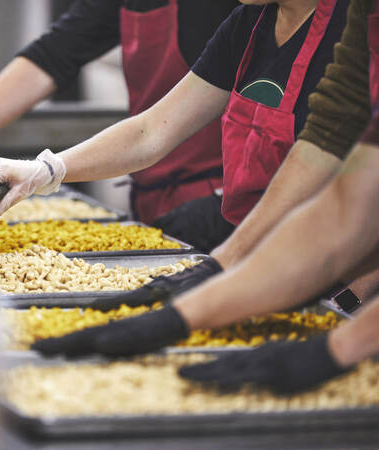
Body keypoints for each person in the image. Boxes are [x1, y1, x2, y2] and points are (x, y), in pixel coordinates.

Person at [32, 0, 379, 394]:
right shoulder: (256, 22)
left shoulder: (345, 22)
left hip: (335, 280)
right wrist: (46, 170)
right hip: (273, 264)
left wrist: (349, 320)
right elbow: (153, 130)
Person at [0, 0, 349, 252]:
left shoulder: (355, 31)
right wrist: (46, 170)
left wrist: (353, 295)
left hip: (330, 264)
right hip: (257, 253)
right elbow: (151, 131)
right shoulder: (248, 24)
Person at [0, 1, 240, 240]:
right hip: (154, 194)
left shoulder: (236, 12)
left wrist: (229, 203)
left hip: (226, 202)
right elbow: (52, 56)